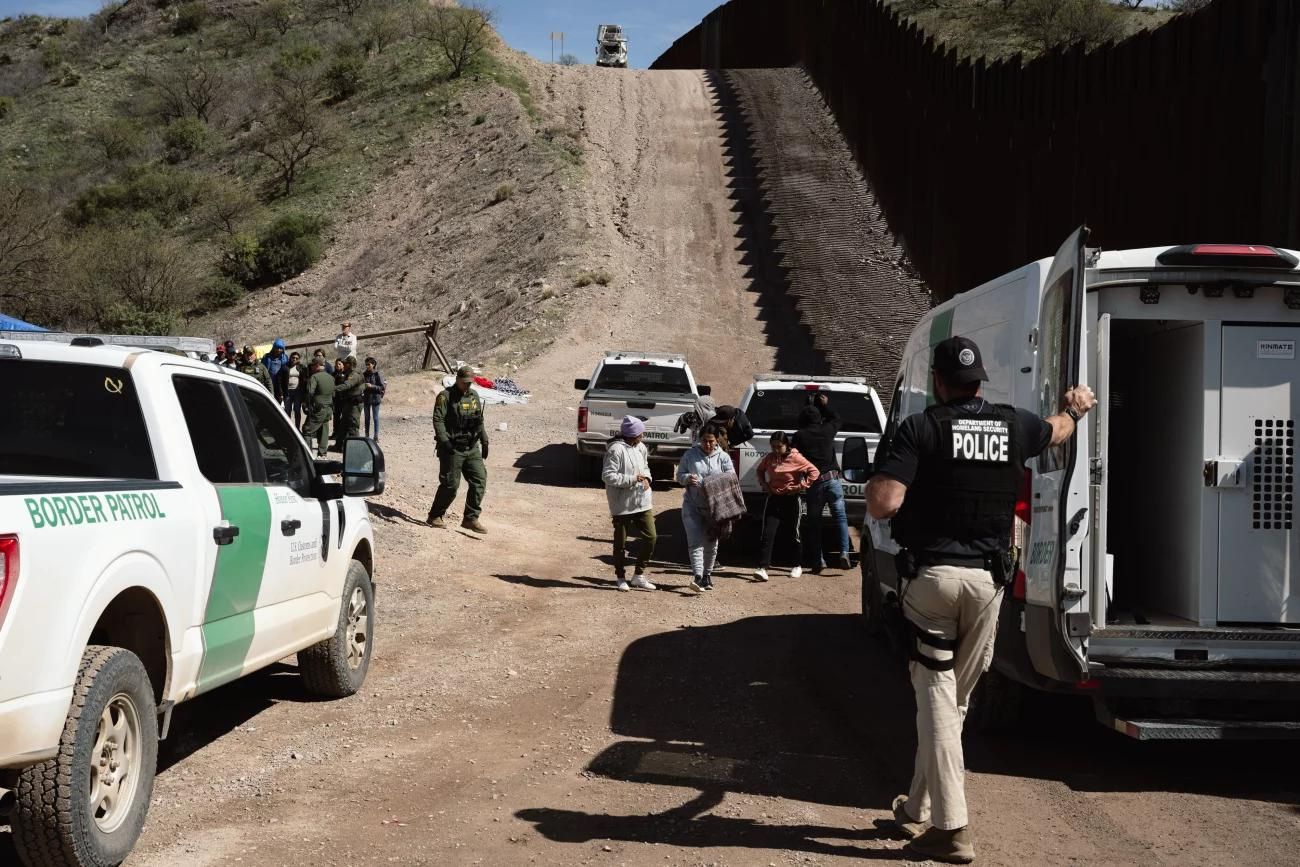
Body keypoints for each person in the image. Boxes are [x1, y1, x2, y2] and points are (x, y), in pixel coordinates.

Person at [867, 336, 1096, 864]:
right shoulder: (1013, 423)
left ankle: (953, 828)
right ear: (979, 381)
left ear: (940, 384)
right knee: (954, 701)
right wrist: (1074, 407)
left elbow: (882, 504)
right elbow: (1058, 431)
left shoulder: (920, 428)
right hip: (989, 585)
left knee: (937, 696)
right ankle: (917, 806)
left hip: (932, 584)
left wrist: (892, 471)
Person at [426, 366, 489, 533]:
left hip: (471, 446)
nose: (467, 386)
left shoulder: (474, 396)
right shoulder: (445, 396)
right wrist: (444, 441)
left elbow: (478, 419)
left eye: (470, 383)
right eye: (464, 383)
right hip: (452, 447)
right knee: (451, 485)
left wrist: (485, 439)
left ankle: (470, 518)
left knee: (479, 480)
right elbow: (438, 420)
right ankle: (435, 515)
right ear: (457, 380)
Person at [793, 392, 851, 572]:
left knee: (814, 524)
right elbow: (837, 418)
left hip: (814, 484)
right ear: (820, 417)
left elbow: (794, 458)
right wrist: (825, 405)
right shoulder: (827, 430)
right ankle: (844, 552)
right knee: (840, 517)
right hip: (832, 480)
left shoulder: (799, 436)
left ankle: (818, 561)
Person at [676, 423, 736, 593]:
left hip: (714, 508)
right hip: (692, 505)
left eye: (711, 441)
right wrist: (687, 478)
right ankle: (697, 576)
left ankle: (707, 575)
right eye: (704, 441)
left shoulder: (723, 457)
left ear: (717, 440)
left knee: (711, 542)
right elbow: (679, 476)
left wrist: (710, 482)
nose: (708, 445)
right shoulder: (690, 455)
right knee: (695, 542)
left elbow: (731, 478)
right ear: (699, 439)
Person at [752, 431, 818, 582]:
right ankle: (762, 568)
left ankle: (796, 565)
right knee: (767, 533)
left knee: (793, 534)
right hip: (774, 498)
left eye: (779, 447)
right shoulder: (769, 458)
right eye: (773, 446)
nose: (776, 450)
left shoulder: (795, 457)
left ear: (786, 445)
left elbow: (814, 472)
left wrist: (801, 486)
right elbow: (760, 470)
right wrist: (764, 484)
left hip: (791, 499)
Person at [602, 416, 658, 592]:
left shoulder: (641, 447)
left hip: (642, 501)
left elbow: (646, 467)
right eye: (640, 433)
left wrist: (647, 478)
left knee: (651, 537)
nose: (642, 436)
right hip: (622, 504)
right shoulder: (616, 450)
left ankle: (638, 575)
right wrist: (633, 479)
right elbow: (608, 476)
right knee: (621, 543)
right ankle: (620, 577)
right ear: (632, 434)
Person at [301, 357, 336, 457]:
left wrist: (305, 403)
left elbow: (309, 392)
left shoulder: (314, 377)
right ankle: (322, 453)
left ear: (317, 365)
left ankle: (307, 455)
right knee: (323, 431)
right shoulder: (331, 377)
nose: (311, 367)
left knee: (307, 430)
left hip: (318, 410)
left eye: (312, 365)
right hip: (328, 409)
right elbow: (333, 394)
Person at [335, 355, 366, 444]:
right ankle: (339, 445)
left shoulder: (355, 374)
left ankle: (354, 448)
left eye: (345, 363)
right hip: (348, 402)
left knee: (353, 425)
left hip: (355, 404)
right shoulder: (349, 373)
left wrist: (332, 388)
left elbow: (347, 385)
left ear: (349, 364)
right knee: (343, 424)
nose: (343, 365)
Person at [363, 356, 386, 441]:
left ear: (373, 364)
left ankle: (376, 436)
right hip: (366, 399)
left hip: (375, 399)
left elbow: (382, 387)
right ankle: (367, 435)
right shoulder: (364, 374)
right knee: (366, 418)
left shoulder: (377, 374)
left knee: (375, 418)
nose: (367, 366)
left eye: (369, 364)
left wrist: (372, 386)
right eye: (366, 364)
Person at [282, 352, 308, 425]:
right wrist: (281, 393)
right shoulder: (285, 367)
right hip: (287, 392)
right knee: (287, 411)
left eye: (296, 358)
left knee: (297, 410)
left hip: (297, 392)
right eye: (293, 357)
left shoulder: (301, 367)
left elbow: (305, 378)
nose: (294, 359)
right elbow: (280, 380)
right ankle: (289, 428)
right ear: (290, 358)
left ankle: (297, 428)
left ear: (298, 359)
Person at [262, 338, 291, 404]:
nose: (278, 350)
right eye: (277, 348)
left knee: (278, 402)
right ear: (274, 348)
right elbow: (262, 368)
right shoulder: (267, 357)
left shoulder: (284, 358)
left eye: (280, 348)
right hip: (269, 383)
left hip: (279, 384)